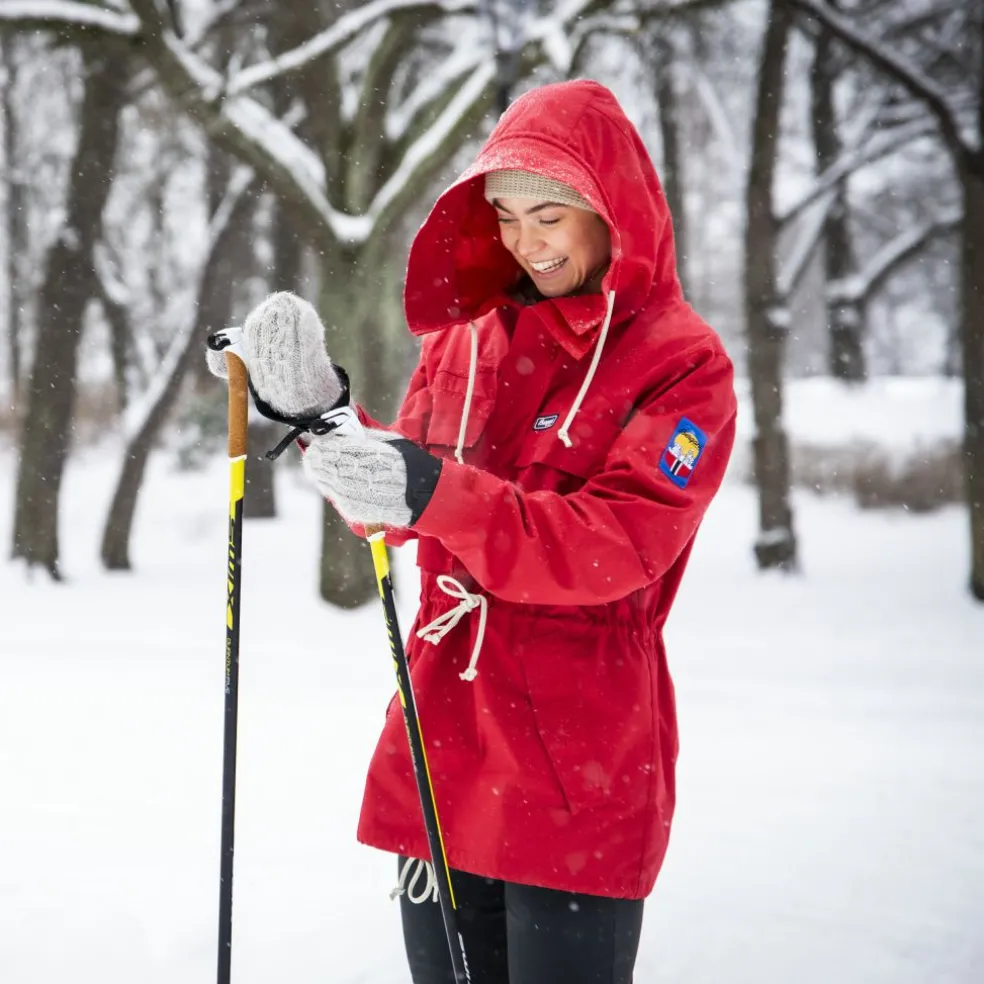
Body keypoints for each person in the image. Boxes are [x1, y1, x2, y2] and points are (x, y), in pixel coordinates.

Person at [211, 79, 737, 984]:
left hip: (580, 753)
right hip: (446, 731)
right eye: (506, 217)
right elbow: (399, 505)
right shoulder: (466, 339)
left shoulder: (680, 362)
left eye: (551, 217)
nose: (527, 243)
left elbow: (613, 545)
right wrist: (325, 422)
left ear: (613, 212)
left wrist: (432, 494)